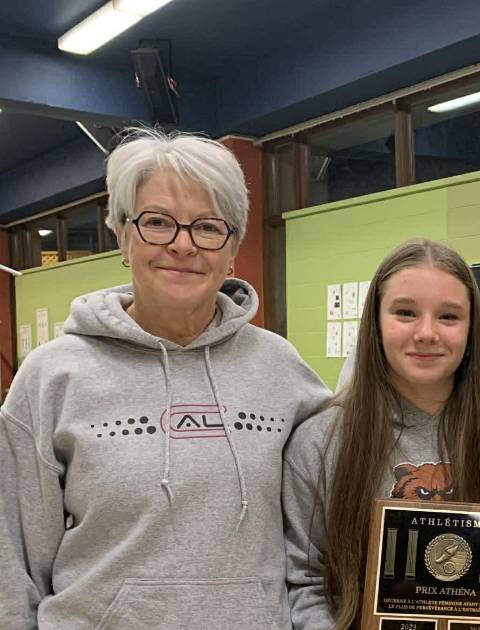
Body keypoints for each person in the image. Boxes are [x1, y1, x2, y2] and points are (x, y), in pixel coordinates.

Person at [0, 128, 332, 629]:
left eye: (207, 227)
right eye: (157, 223)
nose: (182, 245)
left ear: (232, 247)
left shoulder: (282, 369)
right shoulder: (52, 376)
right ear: (121, 236)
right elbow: (13, 560)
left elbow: (327, 517)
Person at [284, 238, 480, 630]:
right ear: (375, 323)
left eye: (448, 316)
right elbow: (306, 582)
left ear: (472, 329)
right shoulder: (321, 440)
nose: (426, 333)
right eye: (405, 313)